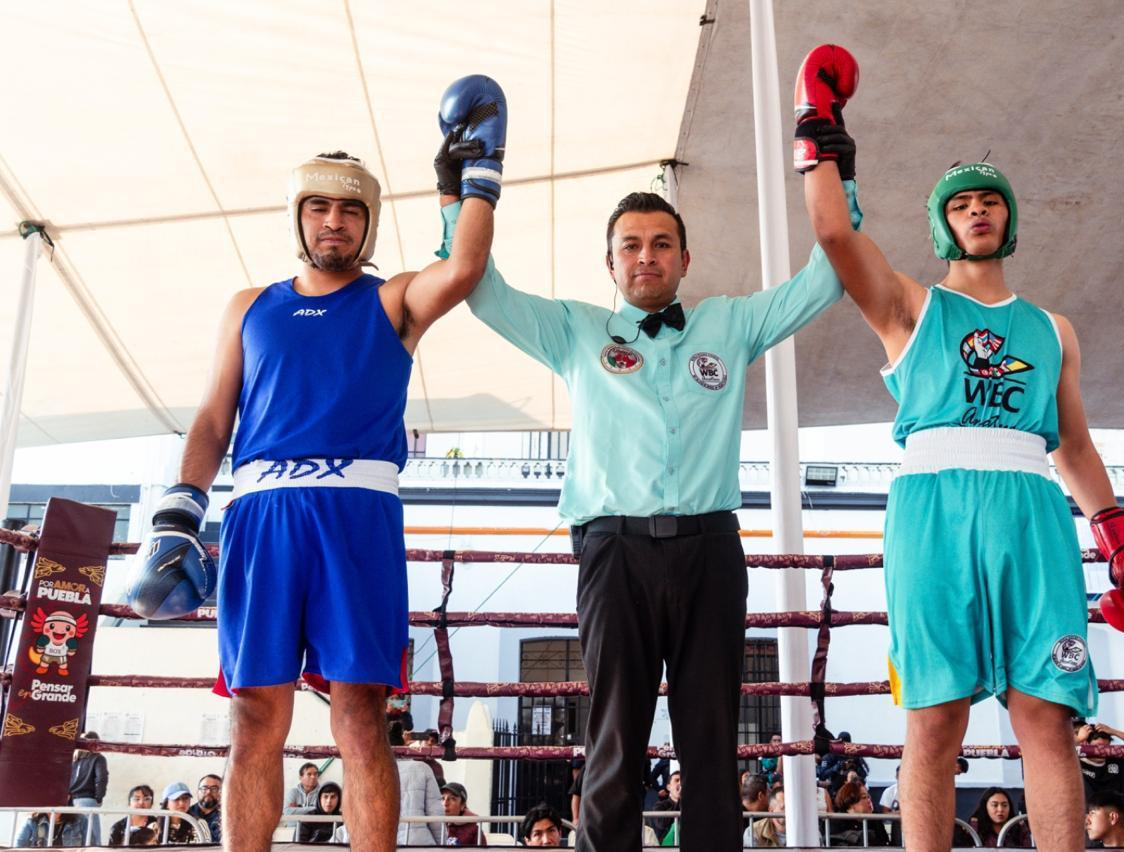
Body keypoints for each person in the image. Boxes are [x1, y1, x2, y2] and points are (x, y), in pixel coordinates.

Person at [797, 42, 1124, 852]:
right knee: (934, 721)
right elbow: (833, 233)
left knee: (1048, 718)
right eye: (962, 203)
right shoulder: (910, 308)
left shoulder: (1052, 330)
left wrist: (1121, 537)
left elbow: (1074, 445)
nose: (977, 212)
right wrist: (819, 130)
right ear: (944, 224)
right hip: (934, 508)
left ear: (1009, 220)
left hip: (1033, 508)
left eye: (990, 201)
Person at [122, 74, 502, 852]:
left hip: (356, 517)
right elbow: (212, 418)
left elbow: (463, 268)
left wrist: (471, 179)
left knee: (361, 715)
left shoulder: (392, 300)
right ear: (299, 217)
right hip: (260, 517)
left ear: (368, 224)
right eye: (320, 207)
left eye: (351, 210)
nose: (335, 221)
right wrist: (178, 511)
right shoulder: (249, 306)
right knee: (253, 714)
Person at [466, 117, 851, 852]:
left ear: (685, 258)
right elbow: (482, 291)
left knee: (712, 738)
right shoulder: (576, 330)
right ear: (610, 263)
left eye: (662, 243)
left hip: (710, 550)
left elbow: (827, 276)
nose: (647, 256)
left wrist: (832, 165)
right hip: (614, 551)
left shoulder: (730, 324)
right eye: (631, 245)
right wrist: (467, 187)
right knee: (614, 737)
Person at [392, 721, 445, 845]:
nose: (430, 743)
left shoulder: (432, 767)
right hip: (415, 841)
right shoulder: (421, 767)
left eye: (434, 741)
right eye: (427, 739)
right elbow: (435, 812)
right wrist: (441, 844)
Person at [68, 730, 108, 845]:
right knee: (93, 837)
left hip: (71, 801)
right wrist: (99, 798)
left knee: (75, 836)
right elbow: (101, 778)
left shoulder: (75, 760)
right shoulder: (98, 758)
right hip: (87, 800)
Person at [829, 776, 890, 847]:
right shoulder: (837, 820)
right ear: (850, 802)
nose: (869, 800)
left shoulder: (875, 818)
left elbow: (884, 843)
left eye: (869, 797)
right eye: (864, 797)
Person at [441, 781, 487, 846]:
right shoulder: (433, 825)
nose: (445, 803)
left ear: (462, 805)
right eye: (442, 798)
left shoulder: (474, 831)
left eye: (452, 798)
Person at [17, 810, 86, 847]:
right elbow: (18, 845)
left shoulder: (80, 820)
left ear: (68, 797)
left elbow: (89, 847)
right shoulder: (32, 821)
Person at [188, 773, 222, 844]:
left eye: (214, 789)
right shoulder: (187, 814)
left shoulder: (227, 817)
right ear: (197, 792)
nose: (208, 792)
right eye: (204, 788)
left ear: (222, 792)